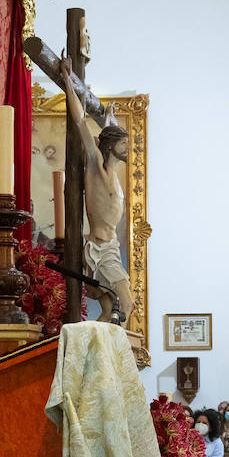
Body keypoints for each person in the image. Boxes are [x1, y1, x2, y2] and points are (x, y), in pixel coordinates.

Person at [62, 61, 134, 324]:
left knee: (109, 311)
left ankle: (96, 357)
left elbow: (105, 130)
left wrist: (107, 121)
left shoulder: (114, 175)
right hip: (100, 250)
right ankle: (114, 355)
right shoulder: (95, 164)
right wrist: (68, 81)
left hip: (111, 248)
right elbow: (80, 120)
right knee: (126, 303)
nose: (127, 149)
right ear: (111, 145)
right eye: (123, 144)